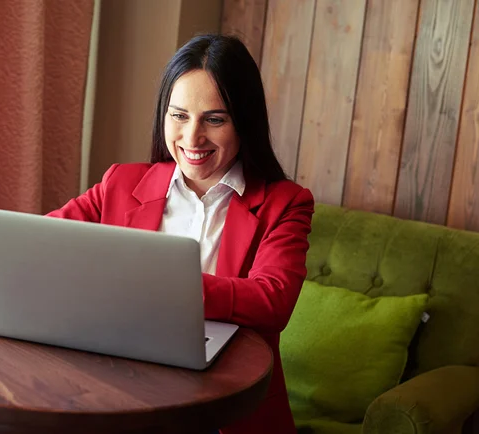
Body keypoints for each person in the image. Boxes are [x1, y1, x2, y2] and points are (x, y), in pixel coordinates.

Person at [47, 34, 314, 434]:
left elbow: (272, 299)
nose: (192, 139)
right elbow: (45, 242)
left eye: (215, 119)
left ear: (245, 121)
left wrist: (161, 285)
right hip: (121, 393)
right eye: (179, 116)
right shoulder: (121, 182)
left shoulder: (285, 202)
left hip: (227, 411)